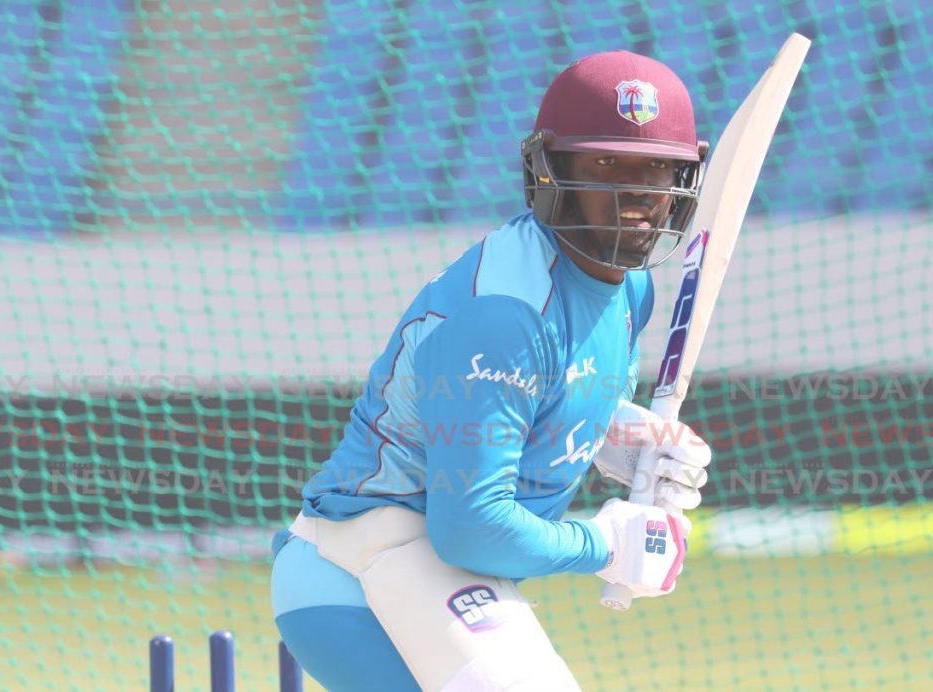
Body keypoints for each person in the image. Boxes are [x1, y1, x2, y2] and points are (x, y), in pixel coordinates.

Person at [270, 50, 713, 691]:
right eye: (605, 164)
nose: (635, 192)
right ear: (548, 172)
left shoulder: (629, 290)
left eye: (655, 168)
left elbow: (536, 400)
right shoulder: (504, 315)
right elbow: (471, 528)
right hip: (363, 566)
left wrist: (613, 434)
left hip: (429, 568)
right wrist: (608, 544)